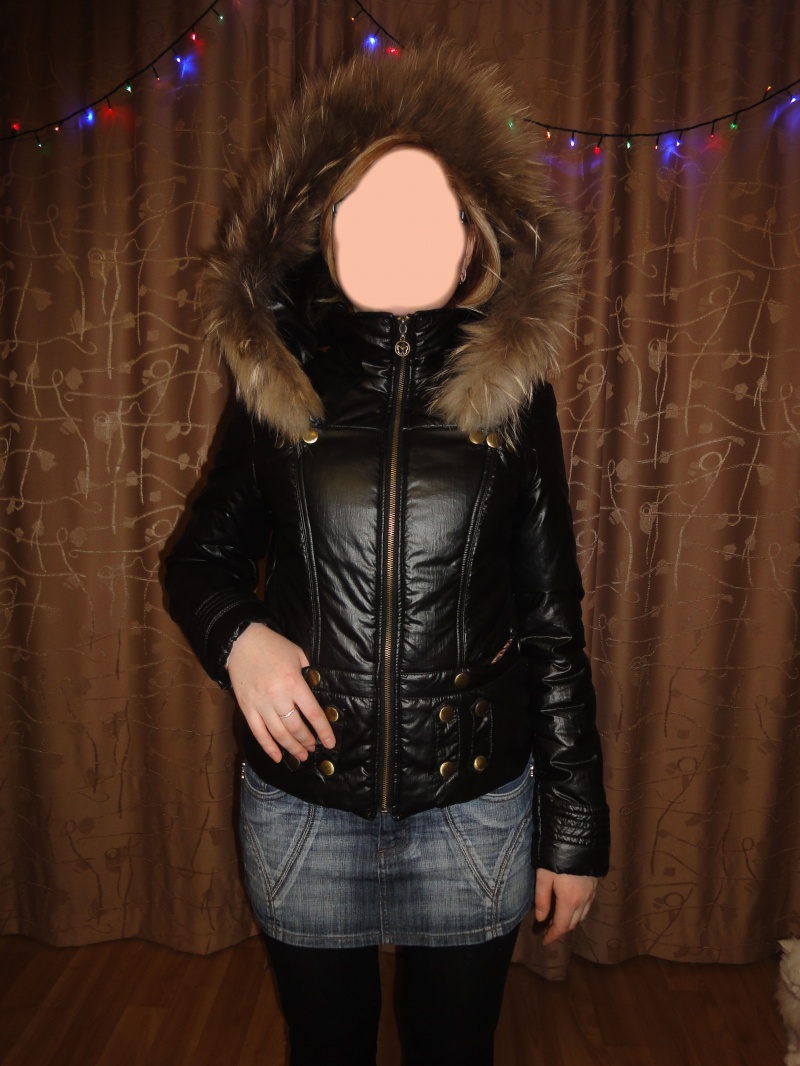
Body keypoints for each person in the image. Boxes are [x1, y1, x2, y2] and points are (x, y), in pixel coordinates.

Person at [163, 32, 610, 1066]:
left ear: (470, 241)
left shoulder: (515, 394)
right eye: (368, 208)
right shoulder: (279, 380)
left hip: (473, 811)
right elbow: (199, 562)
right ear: (325, 232)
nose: (398, 232)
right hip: (303, 806)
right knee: (325, 1046)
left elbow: (552, 620)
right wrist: (239, 640)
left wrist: (575, 825)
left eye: (429, 213)